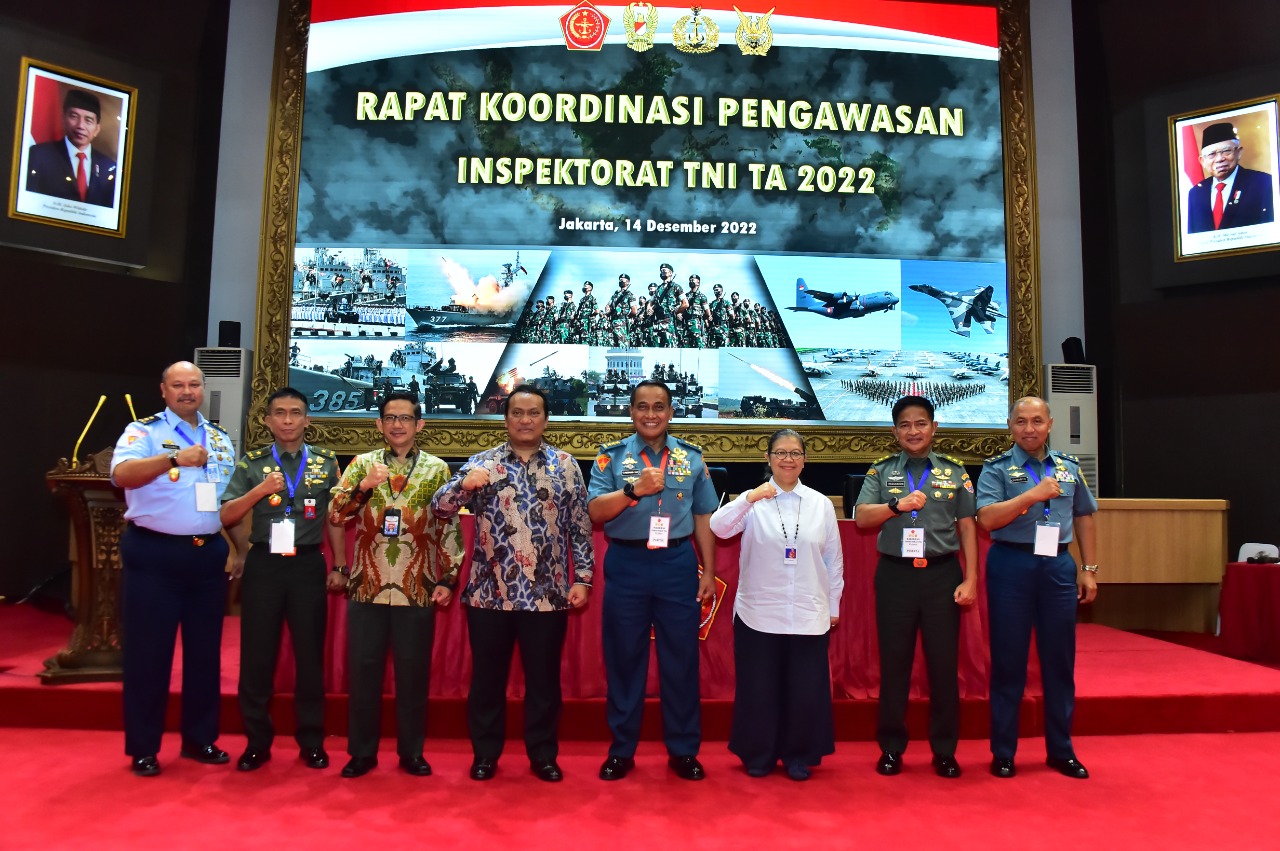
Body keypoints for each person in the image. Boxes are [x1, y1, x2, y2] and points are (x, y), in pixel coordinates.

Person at [431, 385, 593, 782]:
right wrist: (464, 485)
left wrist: (583, 578)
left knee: (543, 683)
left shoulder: (566, 465)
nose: (525, 420)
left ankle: (543, 756)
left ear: (545, 418)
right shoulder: (482, 463)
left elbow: (580, 528)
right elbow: (440, 507)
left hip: (548, 595)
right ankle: (485, 755)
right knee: (487, 682)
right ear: (505, 419)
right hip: (490, 595)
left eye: (533, 413)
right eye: (517, 413)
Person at [110, 361, 237, 776]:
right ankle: (144, 747)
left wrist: (235, 549)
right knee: (150, 655)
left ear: (204, 389)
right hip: (154, 555)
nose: (187, 391)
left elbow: (226, 502)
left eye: (194, 384)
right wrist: (172, 459)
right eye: (178, 385)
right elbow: (122, 476)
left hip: (207, 556)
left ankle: (200, 739)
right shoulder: (143, 432)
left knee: (205, 655)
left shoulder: (219, 438)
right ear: (163, 390)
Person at [587, 379, 719, 781]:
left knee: (680, 659)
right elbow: (595, 512)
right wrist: (633, 490)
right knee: (625, 659)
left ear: (671, 412)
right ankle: (622, 750)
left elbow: (703, 517)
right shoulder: (610, 459)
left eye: (658, 406)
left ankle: (683, 750)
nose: (650, 414)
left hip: (677, 564)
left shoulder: (691, 458)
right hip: (626, 564)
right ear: (631, 412)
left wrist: (709, 570)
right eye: (642, 406)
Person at [328, 392, 464, 778]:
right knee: (365, 671)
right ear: (379, 425)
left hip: (417, 582)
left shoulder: (437, 469)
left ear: (420, 425)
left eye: (406, 418)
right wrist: (364, 487)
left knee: (412, 672)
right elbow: (337, 515)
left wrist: (449, 577)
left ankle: (412, 752)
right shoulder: (361, 464)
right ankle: (362, 753)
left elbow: (447, 525)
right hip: (368, 583)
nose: (398, 425)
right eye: (390, 418)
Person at [219, 387, 347, 772]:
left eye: (295, 413)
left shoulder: (326, 462)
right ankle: (257, 741)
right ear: (267, 420)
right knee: (258, 656)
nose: (288, 420)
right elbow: (226, 516)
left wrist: (339, 565)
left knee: (309, 657)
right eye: (280, 413)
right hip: (265, 567)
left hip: (308, 566)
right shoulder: (252, 463)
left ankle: (311, 741)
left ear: (308, 420)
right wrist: (260, 490)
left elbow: (336, 518)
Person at [855, 395, 978, 778]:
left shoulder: (956, 472)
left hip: (943, 576)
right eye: (905, 425)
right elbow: (861, 519)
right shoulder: (881, 471)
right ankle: (891, 748)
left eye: (921, 423)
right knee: (895, 665)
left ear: (934, 427)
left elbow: (968, 527)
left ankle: (945, 751)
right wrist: (897, 504)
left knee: (943, 667)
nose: (913, 431)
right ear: (895, 431)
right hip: (895, 576)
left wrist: (971, 577)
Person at [976, 396, 1098, 779]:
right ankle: (1004, 752)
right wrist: (1032, 495)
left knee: (1059, 662)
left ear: (1050, 424)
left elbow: (1085, 516)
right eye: (1021, 421)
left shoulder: (1069, 468)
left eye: (1037, 421)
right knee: (1009, 662)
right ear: (1009, 426)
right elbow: (987, 520)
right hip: (1011, 563)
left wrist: (1089, 569)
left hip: (1058, 566)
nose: (1029, 429)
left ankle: (1061, 751)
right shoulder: (996, 469)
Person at [709, 429, 842, 780]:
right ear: (767, 458)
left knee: (804, 689)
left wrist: (834, 607)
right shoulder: (753, 502)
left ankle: (799, 755)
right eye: (780, 452)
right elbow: (719, 528)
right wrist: (748, 498)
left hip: (808, 611)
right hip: (759, 611)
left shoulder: (821, 504)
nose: (788, 459)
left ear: (805, 460)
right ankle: (759, 753)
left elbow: (834, 561)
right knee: (759, 687)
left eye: (795, 453)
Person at [25, 89, 118, 207]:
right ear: (63, 119)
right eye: (74, 117)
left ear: (97, 129)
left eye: (88, 120)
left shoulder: (109, 167)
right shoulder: (39, 155)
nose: (80, 126)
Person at [1186, 122, 1275, 233]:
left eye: (1226, 151)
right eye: (1212, 154)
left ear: (1239, 152)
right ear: (1202, 161)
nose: (1219, 159)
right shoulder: (1195, 193)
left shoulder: (1264, 183)